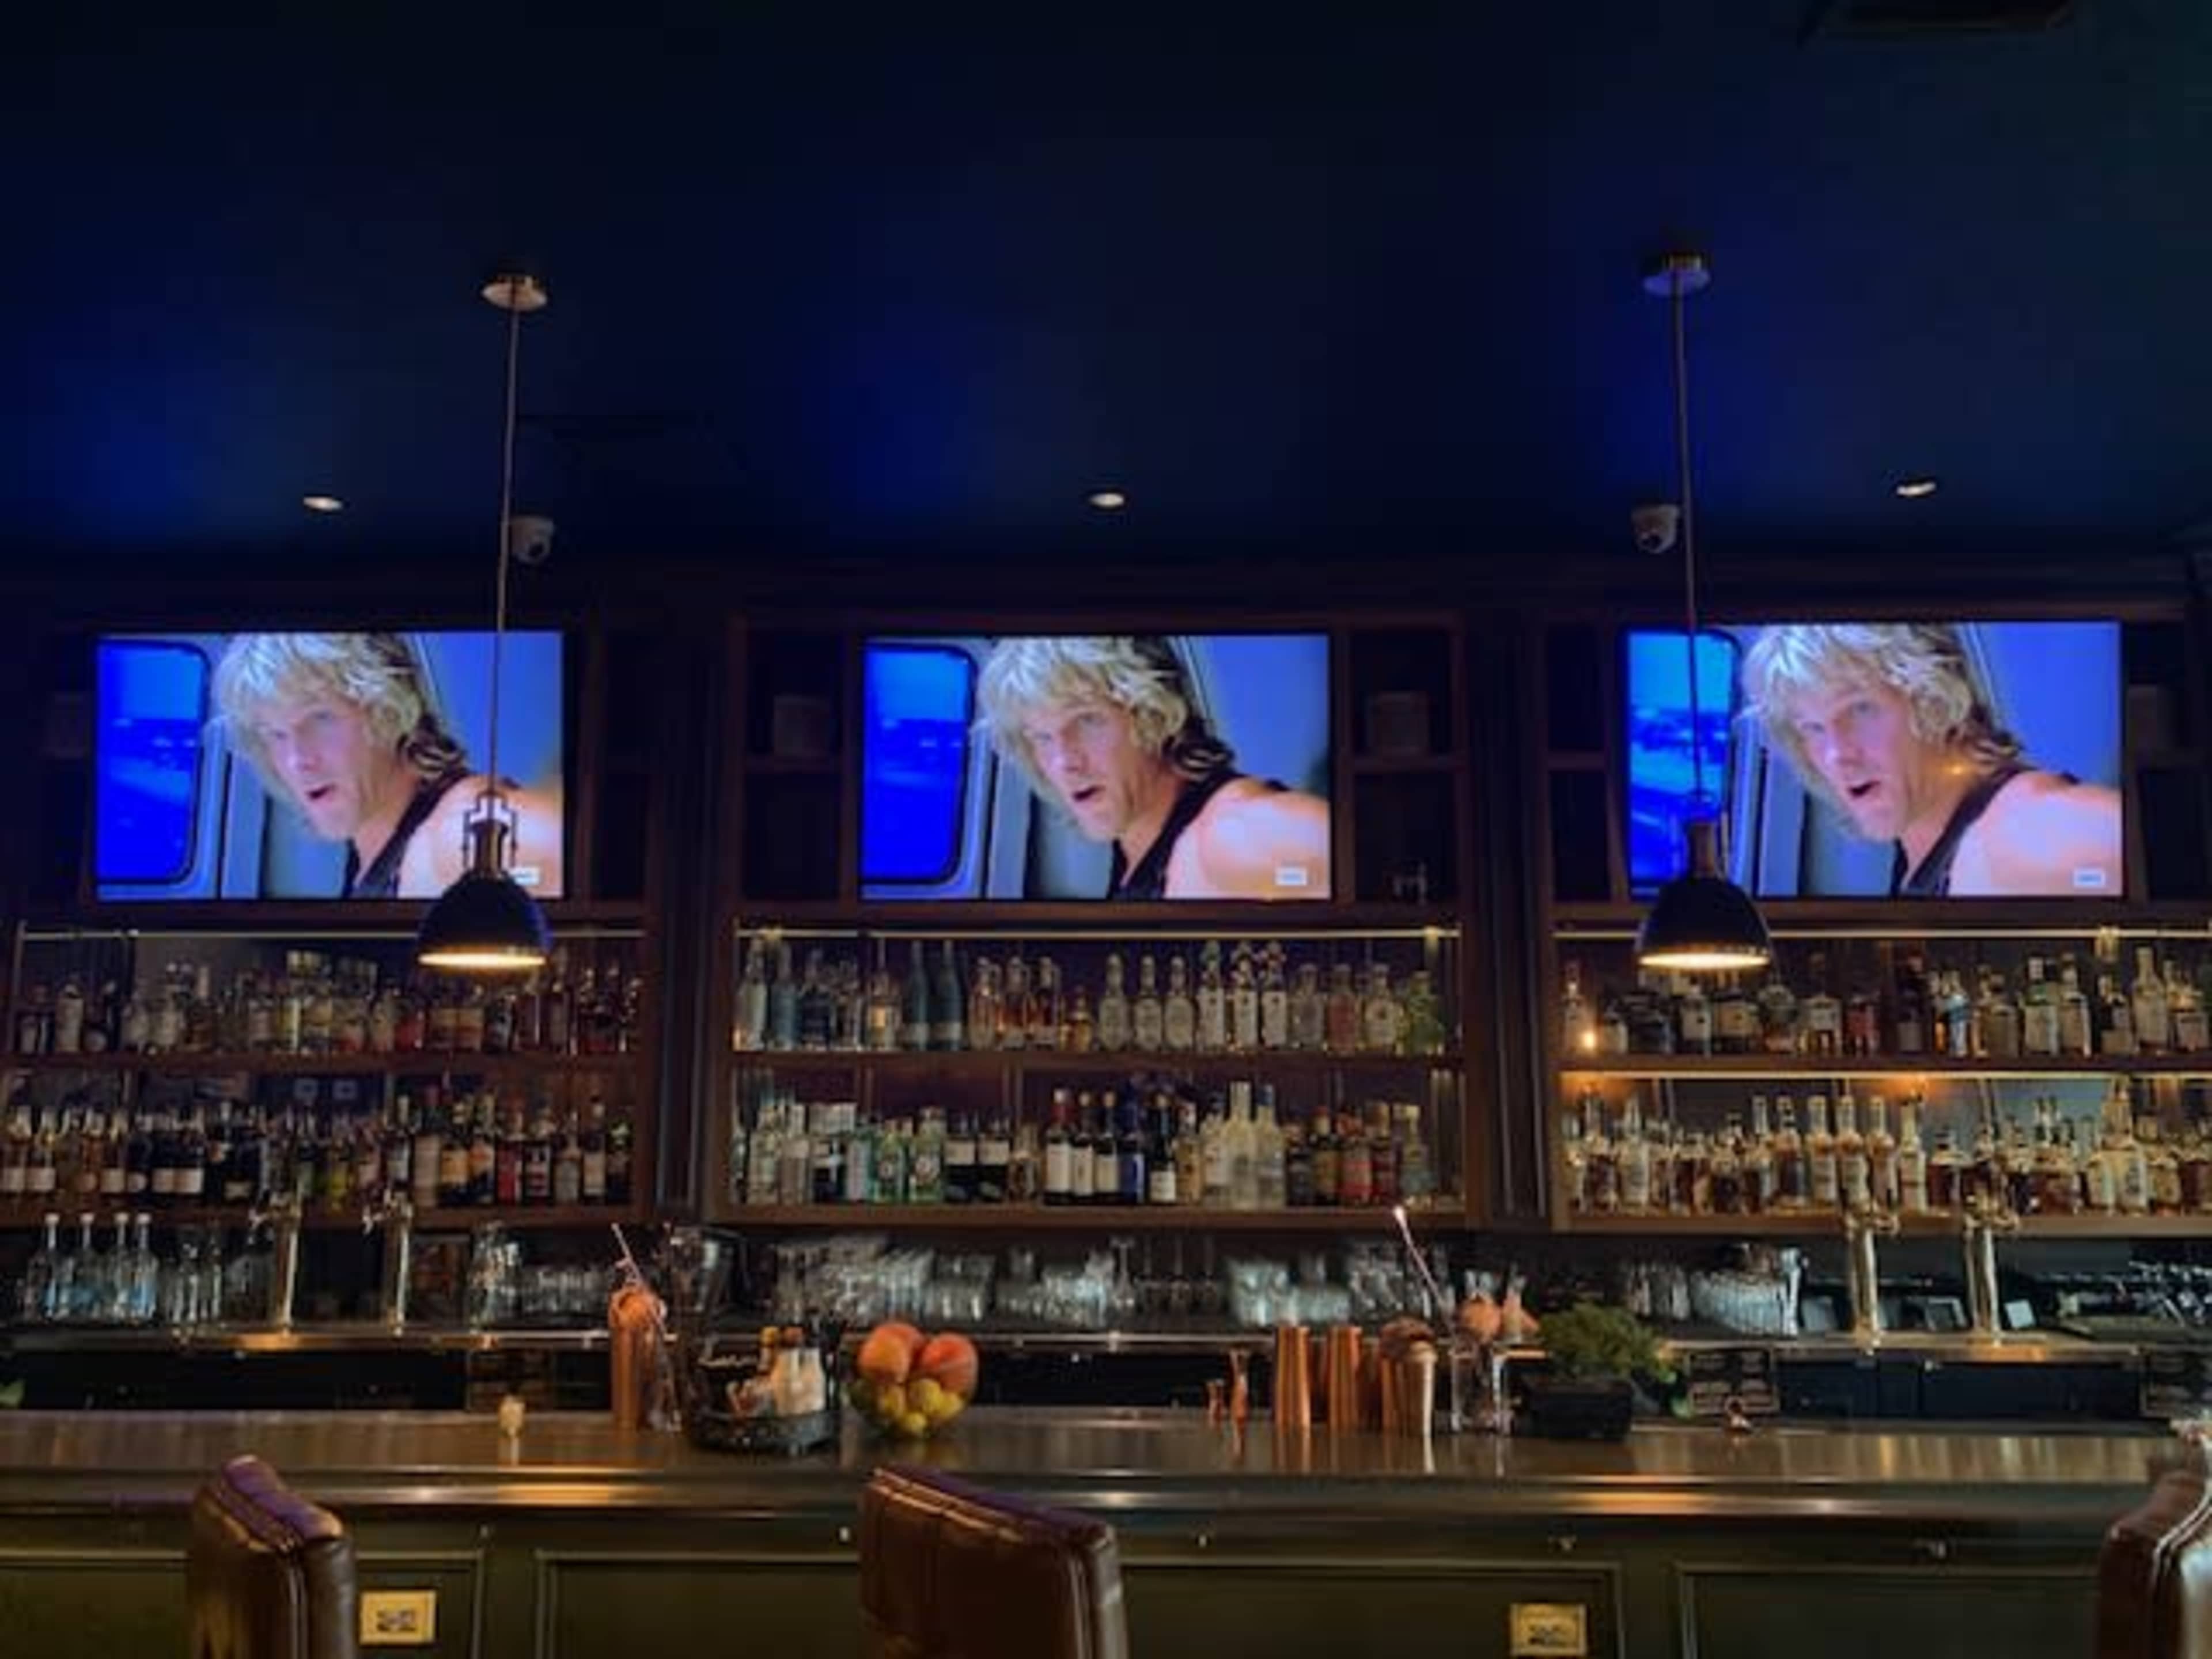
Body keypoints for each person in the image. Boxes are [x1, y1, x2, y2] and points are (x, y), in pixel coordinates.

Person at [1740, 623, 2122, 897]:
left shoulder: (2026, 832)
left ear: (1932, 701)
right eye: (1813, 728)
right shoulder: (1922, 841)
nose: (1837, 754)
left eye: (1859, 710)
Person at [211, 632, 564, 900]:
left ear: (386, 709)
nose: (297, 759)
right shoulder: (370, 834)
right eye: (275, 734)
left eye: (320, 719)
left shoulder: (457, 835)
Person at [976, 635, 1330, 900]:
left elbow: (1343, 865)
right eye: (1042, 737)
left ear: (1153, 715)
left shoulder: (1228, 837)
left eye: (1087, 721)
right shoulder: (1135, 841)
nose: (1065, 761)